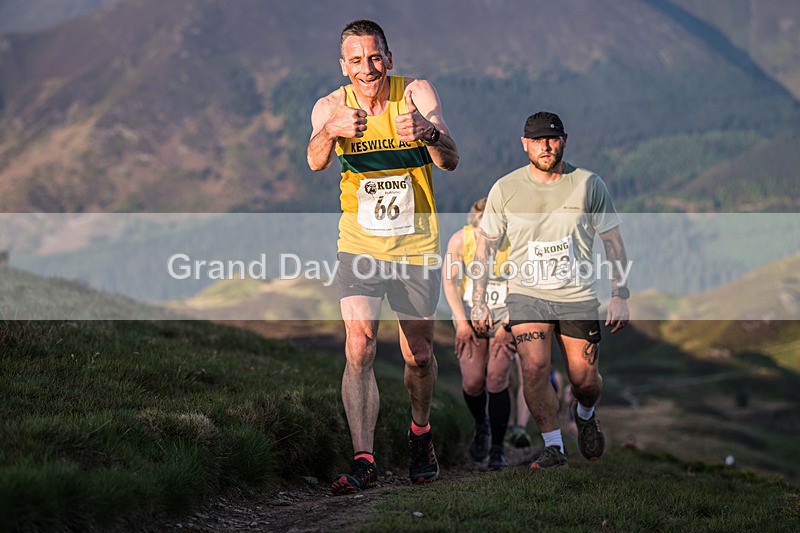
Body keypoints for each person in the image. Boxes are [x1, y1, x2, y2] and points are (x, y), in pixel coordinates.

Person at [307, 19, 459, 494]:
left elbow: (451, 159)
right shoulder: (331, 105)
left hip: (415, 245)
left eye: (375, 58)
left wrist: (428, 133)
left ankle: (420, 435)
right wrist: (330, 131)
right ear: (344, 66)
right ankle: (364, 459)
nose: (367, 68)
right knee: (360, 344)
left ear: (388, 60)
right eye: (356, 60)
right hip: (359, 244)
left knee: (419, 356)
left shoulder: (415, 93)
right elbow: (314, 160)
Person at [471, 111, 629, 470]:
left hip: (577, 296)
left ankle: (585, 412)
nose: (546, 145)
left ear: (564, 141)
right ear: (524, 144)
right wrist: (479, 301)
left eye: (552, 138)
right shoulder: (505, 189)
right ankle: (554, 447)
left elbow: (612, 241)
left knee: (584, 379)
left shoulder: (589, 184)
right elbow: (486, 247)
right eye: (538, 139)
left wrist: (620, 294)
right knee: (534, 368)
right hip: (526, 295)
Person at [442, 198, 516, 470]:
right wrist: (461, 323)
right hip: (469, 313)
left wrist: (508, 325)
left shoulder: (515, 241)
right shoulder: (461, 240)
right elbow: (449, 282)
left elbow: (524, 282)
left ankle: (497, 449)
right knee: (473, 381)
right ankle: (480, 424)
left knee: (497, 377)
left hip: (505, 314)